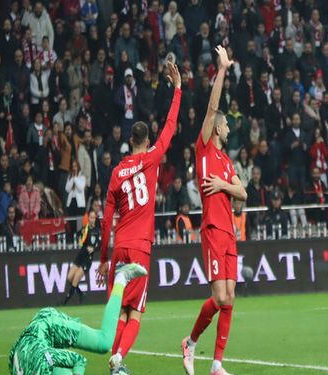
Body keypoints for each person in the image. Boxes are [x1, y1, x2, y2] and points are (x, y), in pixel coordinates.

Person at [96, 61, 182, 373]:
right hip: (141, 249)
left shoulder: (117, 173)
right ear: (146, 141)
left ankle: (115, 359)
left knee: (120, 312)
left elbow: (106, 219)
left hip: (119, 247)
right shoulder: (152, 158)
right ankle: (117, 361)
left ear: (131, 140)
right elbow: (171, 127)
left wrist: (104, 259)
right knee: (136, 314)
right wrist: (178, 90)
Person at [182, 46, 247, 375]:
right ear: (218, 128)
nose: (228, 129)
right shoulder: (205, 147)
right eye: (226, 126)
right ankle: (191, 342)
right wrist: (221, 69)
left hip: (229, 232)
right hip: (211, 229)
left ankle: (217, 363)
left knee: (230, 297)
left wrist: (224, 186)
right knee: (220, 298)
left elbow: (243, 192)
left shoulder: (225, 161)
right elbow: (211, 107)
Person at [9, 264, 147, 375]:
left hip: (49, 325)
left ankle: (121, 278)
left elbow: (79, 360)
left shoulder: (43, 361)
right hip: (31, 347)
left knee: (103, 342)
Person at [64, 210, 100, 305]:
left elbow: (100, 245)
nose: (92, 219)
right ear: (88, 219)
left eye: (94, 218)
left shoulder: (97, 231)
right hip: (80, 256)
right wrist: (80, 236)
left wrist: (94, 248)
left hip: (87, 260)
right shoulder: (85, 229)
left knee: (75, 280)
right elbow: (78, 238)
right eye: (91, 217)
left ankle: (65, 301)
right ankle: (81, 294)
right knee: (69, 278)